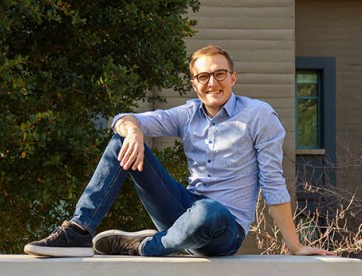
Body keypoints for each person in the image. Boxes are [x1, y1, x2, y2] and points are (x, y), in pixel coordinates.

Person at [24, 45, 333, 258]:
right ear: (194, 84)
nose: (213, 82)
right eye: (204, 77)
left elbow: (273, 183)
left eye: (220, 74)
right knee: (123, 141)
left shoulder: (258, 116)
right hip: (183, 211)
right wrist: (132, 130)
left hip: (224, 229)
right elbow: (122, 119)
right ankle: (78, 230)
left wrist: (294, 246)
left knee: (209, 211)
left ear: (233, 78)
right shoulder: (188, 114)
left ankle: (145, 247)